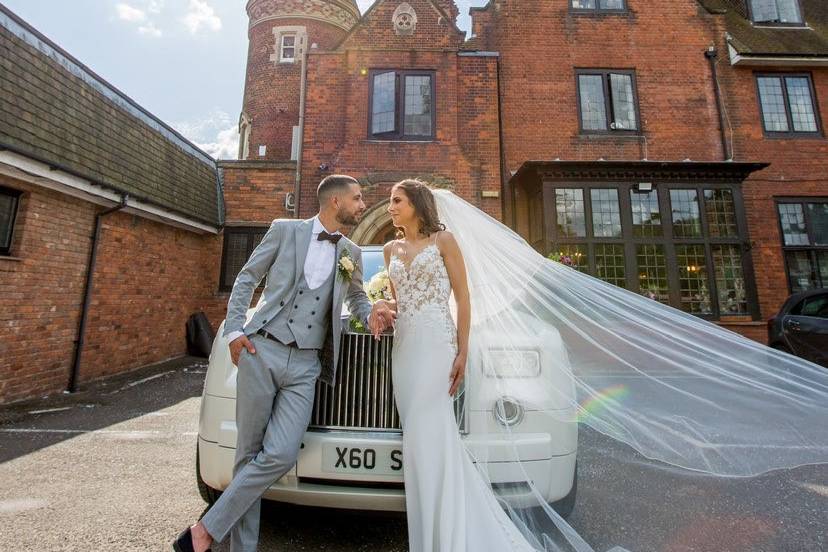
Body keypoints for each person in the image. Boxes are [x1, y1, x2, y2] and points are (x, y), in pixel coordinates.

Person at [173, 174, 395, 552]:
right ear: (335, 202)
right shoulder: (284, 230)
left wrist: (373, 309)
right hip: (263, 350)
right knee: (247, 454)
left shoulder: (352, 253)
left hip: (307, 364)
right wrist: (234, 331)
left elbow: (355, 301)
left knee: (280, 453)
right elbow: (247, 278)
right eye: (357, 199)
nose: (362, 206)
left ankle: (204, 532)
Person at [374, 180, 537, 551]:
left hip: (437, 346)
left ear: (417, 204)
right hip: (405, 350)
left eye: (396, 200)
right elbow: (404, 304)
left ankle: (450, 534)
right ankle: (429, 534)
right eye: (389, 202)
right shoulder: (389, 250)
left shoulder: (444, 243)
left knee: (434, 432)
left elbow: (462, 299)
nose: (390, 207)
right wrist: (382, 308)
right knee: (416, 440)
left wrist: (463, 351)